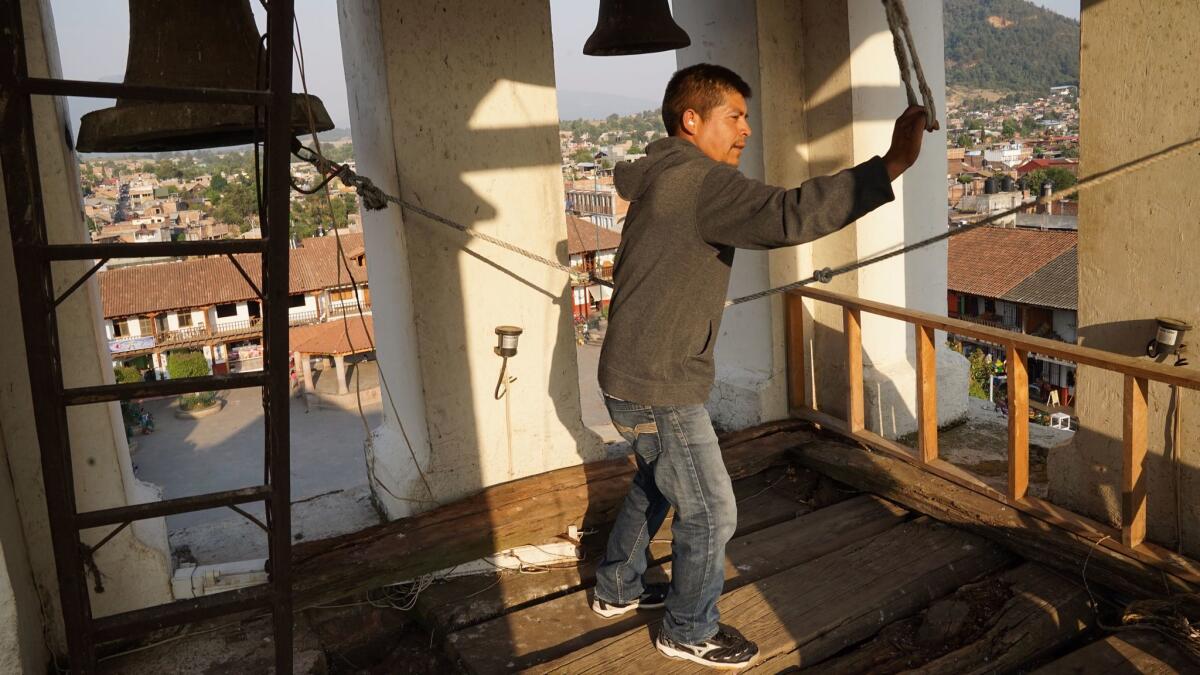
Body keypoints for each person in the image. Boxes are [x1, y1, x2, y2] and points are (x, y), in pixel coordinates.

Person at [590, 63, 930, 670]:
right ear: (690, 120)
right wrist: (893, 163)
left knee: (658, 480)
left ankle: (618, 588)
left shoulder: (658, 171)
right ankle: (689, 628)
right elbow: (790, 214)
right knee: (711, 507)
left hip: (630, 373)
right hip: (659, 383)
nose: (746, 130)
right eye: (734, 116)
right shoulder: (700, 180)